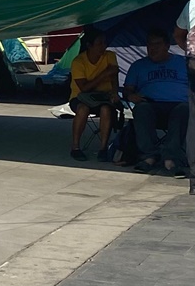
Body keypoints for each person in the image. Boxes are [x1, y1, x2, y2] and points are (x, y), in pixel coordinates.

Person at [124, 28, 189, 177]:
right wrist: (130, 96)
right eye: (149, 44)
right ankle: (149, 157)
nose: (152, 48)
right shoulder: (138, 65)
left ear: (167, 46)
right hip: (150, 104)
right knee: (141, 110)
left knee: (184, 110)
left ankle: (171, 159)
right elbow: (127, 90)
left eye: (157, 44)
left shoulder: (182, 63)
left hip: (179, 105)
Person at [68, 26, 119, 161]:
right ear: (89, 46)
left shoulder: (110, 56)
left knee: (106, 109)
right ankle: (75, 147)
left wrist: (114, 92)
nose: (103, 46)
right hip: (81, 97)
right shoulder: (78, 62)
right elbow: (84, 88)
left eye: (104, 43)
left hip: (103, 96)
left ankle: (103, 148)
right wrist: (104, 74)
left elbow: (114, 75)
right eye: (99, 43)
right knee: (83, 109)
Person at [173, 4, 195, 196]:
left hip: (193, 62)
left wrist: (188, 52)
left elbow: (178, 34)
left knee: (194, 122)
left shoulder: (191, 4)